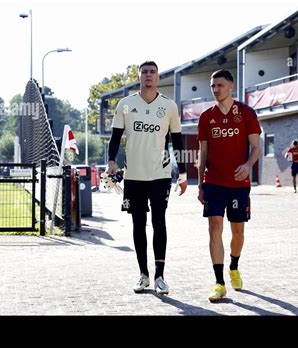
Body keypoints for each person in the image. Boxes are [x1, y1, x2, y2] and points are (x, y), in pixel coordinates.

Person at [107, 61, 188, 295]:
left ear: (158, 77)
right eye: (144, 72)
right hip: (133, 175)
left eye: (152, 72)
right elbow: (115, 137)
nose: (148, 76)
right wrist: (111, 161)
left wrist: (182, 174)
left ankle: (160, 276)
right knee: (138, 224)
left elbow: (178, 143)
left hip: (160, 175)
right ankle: (143, 275)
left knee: (159, 222)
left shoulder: (169, 106)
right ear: (139, 76)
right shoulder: (125, 104)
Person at [197, 69, 261, 302]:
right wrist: (201, 183)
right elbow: (202, 151)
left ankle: (234, 266)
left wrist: (247, 165)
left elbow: (256, 148)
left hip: (238, 183)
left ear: (231, 86)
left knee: (238, 231)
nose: (215, 90)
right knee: (214, 229)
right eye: (213, 86)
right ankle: (219, 283)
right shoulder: (206, 116)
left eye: (220, 85)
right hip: (213, 182)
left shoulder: (246, 113)